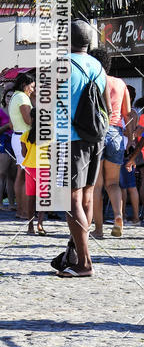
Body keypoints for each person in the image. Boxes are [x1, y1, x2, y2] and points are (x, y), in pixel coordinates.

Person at [59, 20, 109, 278]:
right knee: (87, 196)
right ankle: (76, 252)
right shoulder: (98, 66)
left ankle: (84, 263)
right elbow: (105, 106)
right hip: (96, 137)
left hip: (70, 138)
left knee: (72, 199)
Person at [89, 49, 131, 238]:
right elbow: (127, 115)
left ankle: (98, 229)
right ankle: (118, 216)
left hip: (96, 133)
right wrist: (128, 141)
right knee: (113, 183)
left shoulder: (92, 82)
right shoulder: (120, 84)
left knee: (96, 186)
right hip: (116, 133)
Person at [8, 73, 35, 220]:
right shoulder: (22, 98)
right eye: (31, 87)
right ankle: (25, 211)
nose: (32, 90)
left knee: (21, 174)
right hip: (24, 139)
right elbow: (29, 120)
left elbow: (12, 123)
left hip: (17, 136)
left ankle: (21, 210)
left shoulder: (14, 97)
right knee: (25, 175)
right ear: (25, 85)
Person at [21, 107, 47, 235]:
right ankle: (40, 224)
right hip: (44, 167)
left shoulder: (26, 134)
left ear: (31, 119)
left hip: (30, 167)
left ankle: (30, 226)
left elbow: (23, 153)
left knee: (31, 198)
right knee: (42, 198)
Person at [0, 89, 16, 210]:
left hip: (16, 142)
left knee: (12, 175)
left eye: (12, 96)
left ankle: (11, 203)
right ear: (4, 98)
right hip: (3, 142)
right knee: (2, 173)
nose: (10, 99)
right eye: (8, 96)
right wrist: (7, 126)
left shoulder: (18, 111)